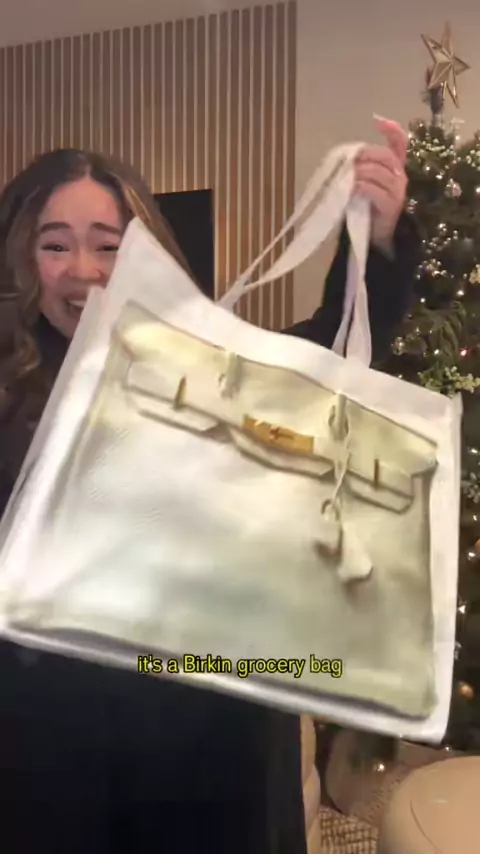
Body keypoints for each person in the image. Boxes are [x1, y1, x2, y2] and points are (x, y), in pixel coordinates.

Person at [0, 118, 417, 854]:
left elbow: (331, 356)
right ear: (22, 258)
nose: (83, 269)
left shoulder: (200, 365)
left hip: (204, 733)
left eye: (108, 244)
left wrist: (374, 241)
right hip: (52, 740)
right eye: (55, 244)